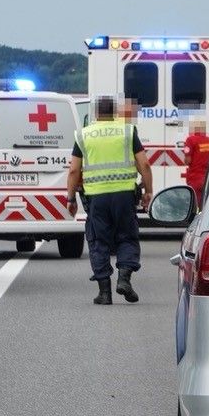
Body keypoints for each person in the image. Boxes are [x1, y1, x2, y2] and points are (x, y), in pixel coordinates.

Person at [67, 96, 153, 305]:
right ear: (114, 113)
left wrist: (71, 198)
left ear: (96, 114)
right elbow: (145, 164)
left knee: (99, 241)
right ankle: (124, 278)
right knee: (127, 237)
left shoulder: (83, 135)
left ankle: (104, 292)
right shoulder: (127, 131)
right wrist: (148, 191)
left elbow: (74, 170)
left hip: (96, 198)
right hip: (124, 196)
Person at [181, 119, 209, 208]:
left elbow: (188, 160)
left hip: (195, 177)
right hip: (207, 178)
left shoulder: (190, 140)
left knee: (195, 206)